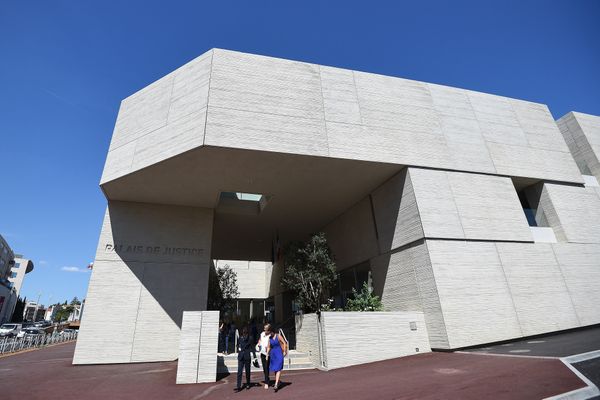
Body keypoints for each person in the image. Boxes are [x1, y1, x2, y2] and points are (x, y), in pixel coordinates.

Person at [235, 327, 257, 392]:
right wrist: (238, 348)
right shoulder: (240, 338)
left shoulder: (250, 338)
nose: (244, 334)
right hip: (241, 356)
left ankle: (248, 383)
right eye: (243, 332)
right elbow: (237, 345)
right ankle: (238, 386)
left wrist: (255, 357)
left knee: (247, 371)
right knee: (239, 372)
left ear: (247, 332)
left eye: (245, 332)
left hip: (247, 357)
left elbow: (252, 348)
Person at [267, 326, 287, 392]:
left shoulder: (278, 336)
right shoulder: (269, 338)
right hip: (273, 354)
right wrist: (267, 354)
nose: (270, 334)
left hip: (279, 353)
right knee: (275, 369)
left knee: (278, 368)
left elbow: (284, 342)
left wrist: (284, 351)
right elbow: (269, 347)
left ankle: (276, 384)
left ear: (273, 331)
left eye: (270, 333)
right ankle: (277, 382)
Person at [257, 323, 272, 389]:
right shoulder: (262, 334)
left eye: (266, 329)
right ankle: (267, 379)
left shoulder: (271, 335)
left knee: (266, 367)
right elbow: (260, 340)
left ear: (269, 330)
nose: (264, 330)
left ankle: (266, 382)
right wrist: (258, 343)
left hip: (268, 354)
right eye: (264, 329)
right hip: (262, 353)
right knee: (264, 368)